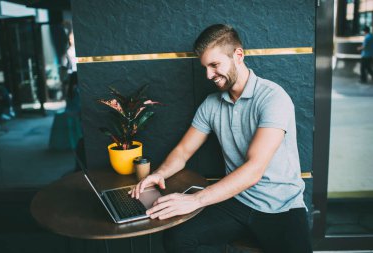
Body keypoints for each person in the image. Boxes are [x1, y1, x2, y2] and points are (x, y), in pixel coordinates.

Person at [130, 24, 312, 253]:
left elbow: (254, 170)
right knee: (177, 237)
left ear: (238, 55)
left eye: (214, 65)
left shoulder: (273, 98)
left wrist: (196, 200)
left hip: (281, 207)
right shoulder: (211, 105)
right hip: (238, 201)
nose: (208, 75)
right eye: (205, 67)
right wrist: (158, 174)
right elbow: (183, 152)